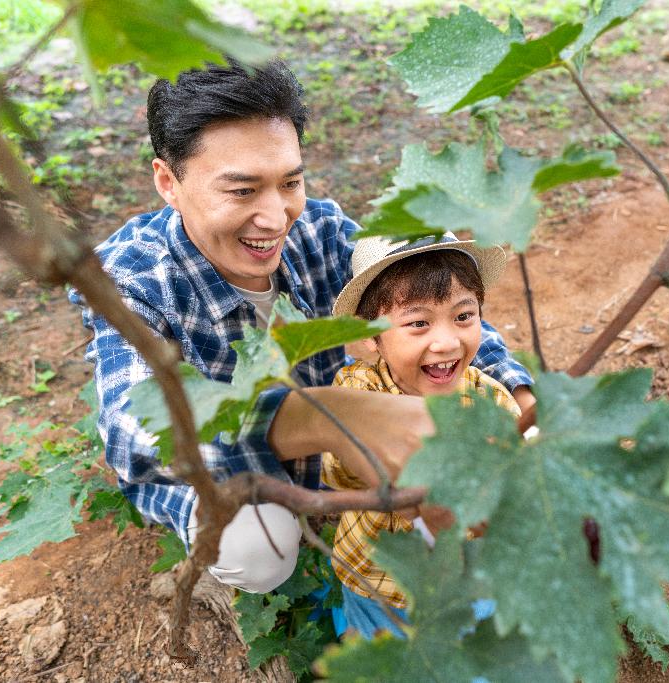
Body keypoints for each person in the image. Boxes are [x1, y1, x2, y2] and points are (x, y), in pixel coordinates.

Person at [69, 58, 534, 595]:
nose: (275, 217)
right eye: (242, 191)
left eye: (290, 181)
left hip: (342, 467)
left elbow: (435, 297)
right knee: (257, 548)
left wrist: (521, 402)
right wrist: (331, 416)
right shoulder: (130, 279)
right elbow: (137, 434)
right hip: (232, 468)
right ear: (168, 181)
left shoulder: (320, 227)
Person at [321, 233, 519, 639]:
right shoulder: (357, 394)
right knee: (374, 661)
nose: (446, 342)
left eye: (463, 316)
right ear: (369, 337)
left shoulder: (490, 403)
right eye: (418, 323)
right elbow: (331, 470)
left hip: (465, 579)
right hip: (376, 580)